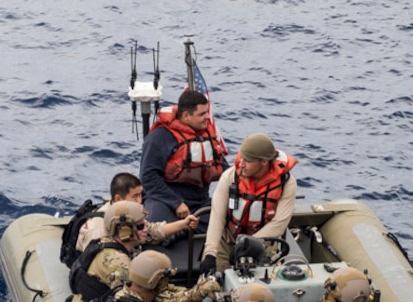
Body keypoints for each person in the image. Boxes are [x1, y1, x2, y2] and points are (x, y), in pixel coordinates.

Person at [198, 134, 298, 274]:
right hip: (227, 242)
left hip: (263, 245)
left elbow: (279, 223)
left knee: (261, 291)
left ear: (264, 162)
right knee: (211, 282)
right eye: (241, 157)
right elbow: (216, 218)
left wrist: (247, 245)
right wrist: (210, 254)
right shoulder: (230, 176)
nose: (241, 164)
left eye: (248, 161)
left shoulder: (287, 183)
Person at [139, 89, 227, 223]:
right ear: (186, 116)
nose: (207, 118)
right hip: (165, 198)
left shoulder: (208, 136)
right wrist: (176, 203)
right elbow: (148, 176)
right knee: (155, 227)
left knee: (226, 222)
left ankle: (184, 229)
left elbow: (225, 170)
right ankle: (177, 231)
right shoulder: (160, 137)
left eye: (207, 113)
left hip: (200, 200)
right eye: (202, 114)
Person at [75, 172, 145, 254]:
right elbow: (95, 260)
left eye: (140, 195)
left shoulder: (128, 212)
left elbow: (147, 229)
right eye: (135, 197)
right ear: (118, 199)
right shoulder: (98, 229)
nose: (139, 201)